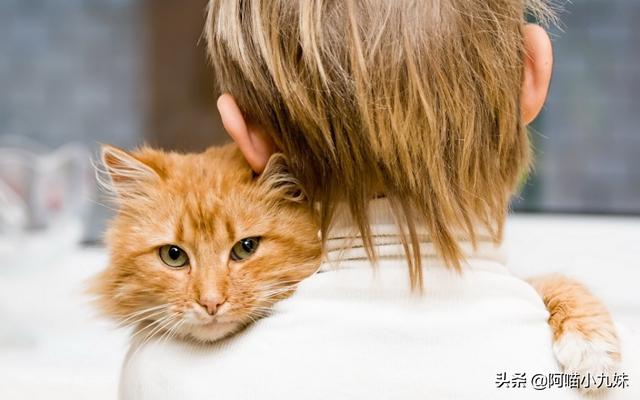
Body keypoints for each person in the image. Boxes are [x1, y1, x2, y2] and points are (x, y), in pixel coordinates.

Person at [119, 1, 589, 398]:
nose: (211, 297)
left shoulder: (163, 371)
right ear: (532, 74)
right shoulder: (588, 373)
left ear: (247, 134)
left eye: (243, 249)